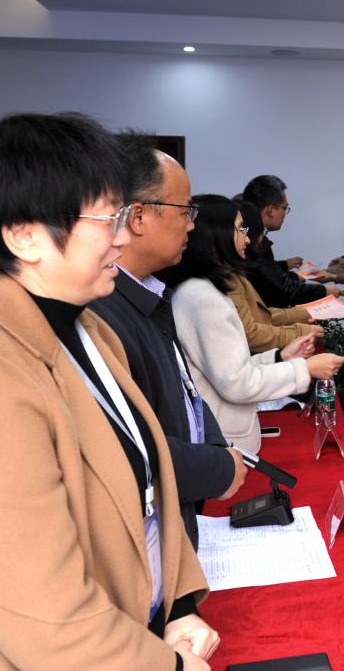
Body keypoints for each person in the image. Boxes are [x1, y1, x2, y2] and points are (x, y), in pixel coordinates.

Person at [0, 113, 215, 670]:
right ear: (24, 235)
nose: (123, 236)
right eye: (108, 218)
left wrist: (177, 605)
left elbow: (145, 482)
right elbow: (49, 622)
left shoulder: (85, 328)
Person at [91, 140, 244, 552]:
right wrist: (215, 467)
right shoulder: (100, 312)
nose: (191, 225)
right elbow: (124, 450)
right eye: (185, 211)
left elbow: (184, 391)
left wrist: (216, 447)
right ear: (139, 216)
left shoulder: (151, 295)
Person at [167, 195, 344, 455]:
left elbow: (229, 366)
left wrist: (280, 357)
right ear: (216, 236)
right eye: (240, 229)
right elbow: (238, 383)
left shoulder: (203, 289)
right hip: (226, 445)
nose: (248, 239)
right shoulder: (203, 299)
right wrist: (305, 369)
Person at [227, 199, 320, 354]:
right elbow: (251, 334)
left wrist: (302, 314)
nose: (247, 239)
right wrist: (299, 331)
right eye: (241, 229)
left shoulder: (235, 274)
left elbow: (260, 315)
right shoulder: (227, 279)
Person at [240, 174, 337, 307]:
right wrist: (325, 291)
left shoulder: (247, 233)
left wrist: (286, 266)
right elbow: (281, 290)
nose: (285, 214)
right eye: (284, 208)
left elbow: (264, 272)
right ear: (271, 210)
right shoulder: (252, 241)